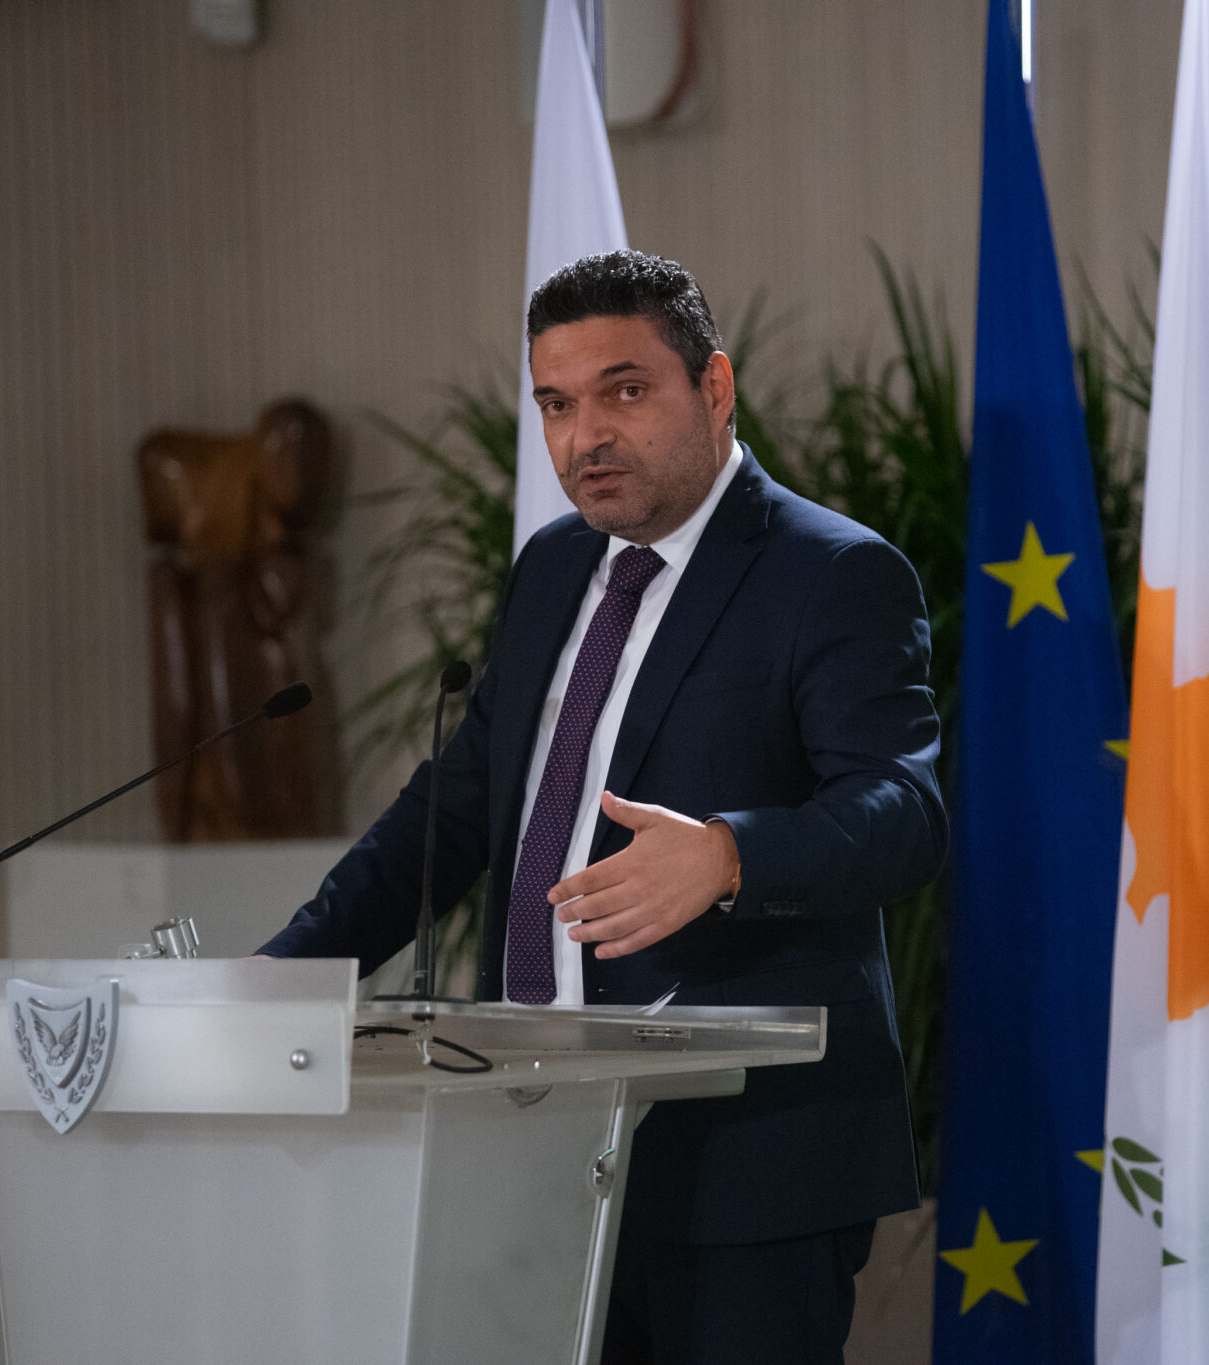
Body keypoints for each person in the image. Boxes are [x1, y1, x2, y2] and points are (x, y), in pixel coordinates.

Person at [256, 249, 946, 1362]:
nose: (587, 436)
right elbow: (454, 811)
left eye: (625, 391)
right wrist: (276, 982)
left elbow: (903, 812)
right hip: (538, 1144)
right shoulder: (551, 570)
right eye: (557, 404)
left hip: (747, 1166)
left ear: (713, 386)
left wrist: (728, 856)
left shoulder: (830, 572)